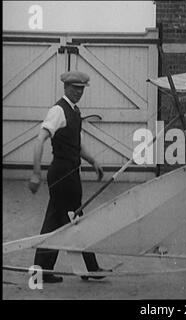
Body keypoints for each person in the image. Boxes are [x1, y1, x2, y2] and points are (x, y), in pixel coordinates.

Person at [28, 71, 107, 283]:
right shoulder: (58, 111)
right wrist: (36, 174)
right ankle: (89, 269)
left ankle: (41, 273)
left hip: (71, 174)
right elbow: (39, 140)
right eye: (75, 88)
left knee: (58, 221)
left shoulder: (74, 111)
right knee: (75, 220)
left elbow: (77, 144)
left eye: (82, 89)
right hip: (62, 175)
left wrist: (93, 161)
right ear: (66, 88)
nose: (78, 92)